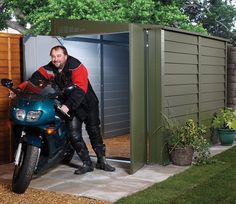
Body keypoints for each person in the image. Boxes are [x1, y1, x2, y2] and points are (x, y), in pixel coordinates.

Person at [15, 45, 115, 174]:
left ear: (65, 56)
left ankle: (102, 161)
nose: (55, 59)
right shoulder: (49, 69)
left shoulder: (76, 66)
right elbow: (32, 81)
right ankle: (87, 163)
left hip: (87, 103)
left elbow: (80, 89)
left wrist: (67, 106)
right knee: (73, 134)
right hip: (71, 107)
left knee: (94, 132)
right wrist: (19, 89)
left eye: (59, 56)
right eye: (53, 56)